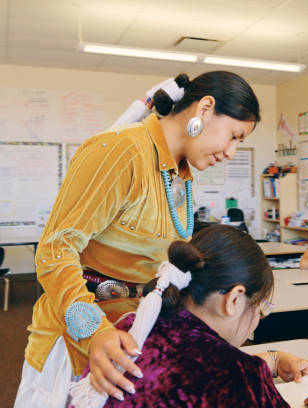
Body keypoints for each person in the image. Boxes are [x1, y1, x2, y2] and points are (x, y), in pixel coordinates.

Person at [15, 71, 262, 408]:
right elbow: (55, 251)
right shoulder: (121, 150)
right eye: (234, 136)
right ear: (204, 108)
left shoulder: (181, 173)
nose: (232, 152)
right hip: (79, 343)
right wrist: (94, 332)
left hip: (129, 336)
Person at [70, 224, 308, 408]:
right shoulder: (236, 377)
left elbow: (183, 366)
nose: (257, 319)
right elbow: (211, 371)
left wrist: (272, 360)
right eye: (260, 309)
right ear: (235, 299)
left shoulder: (133, 328)